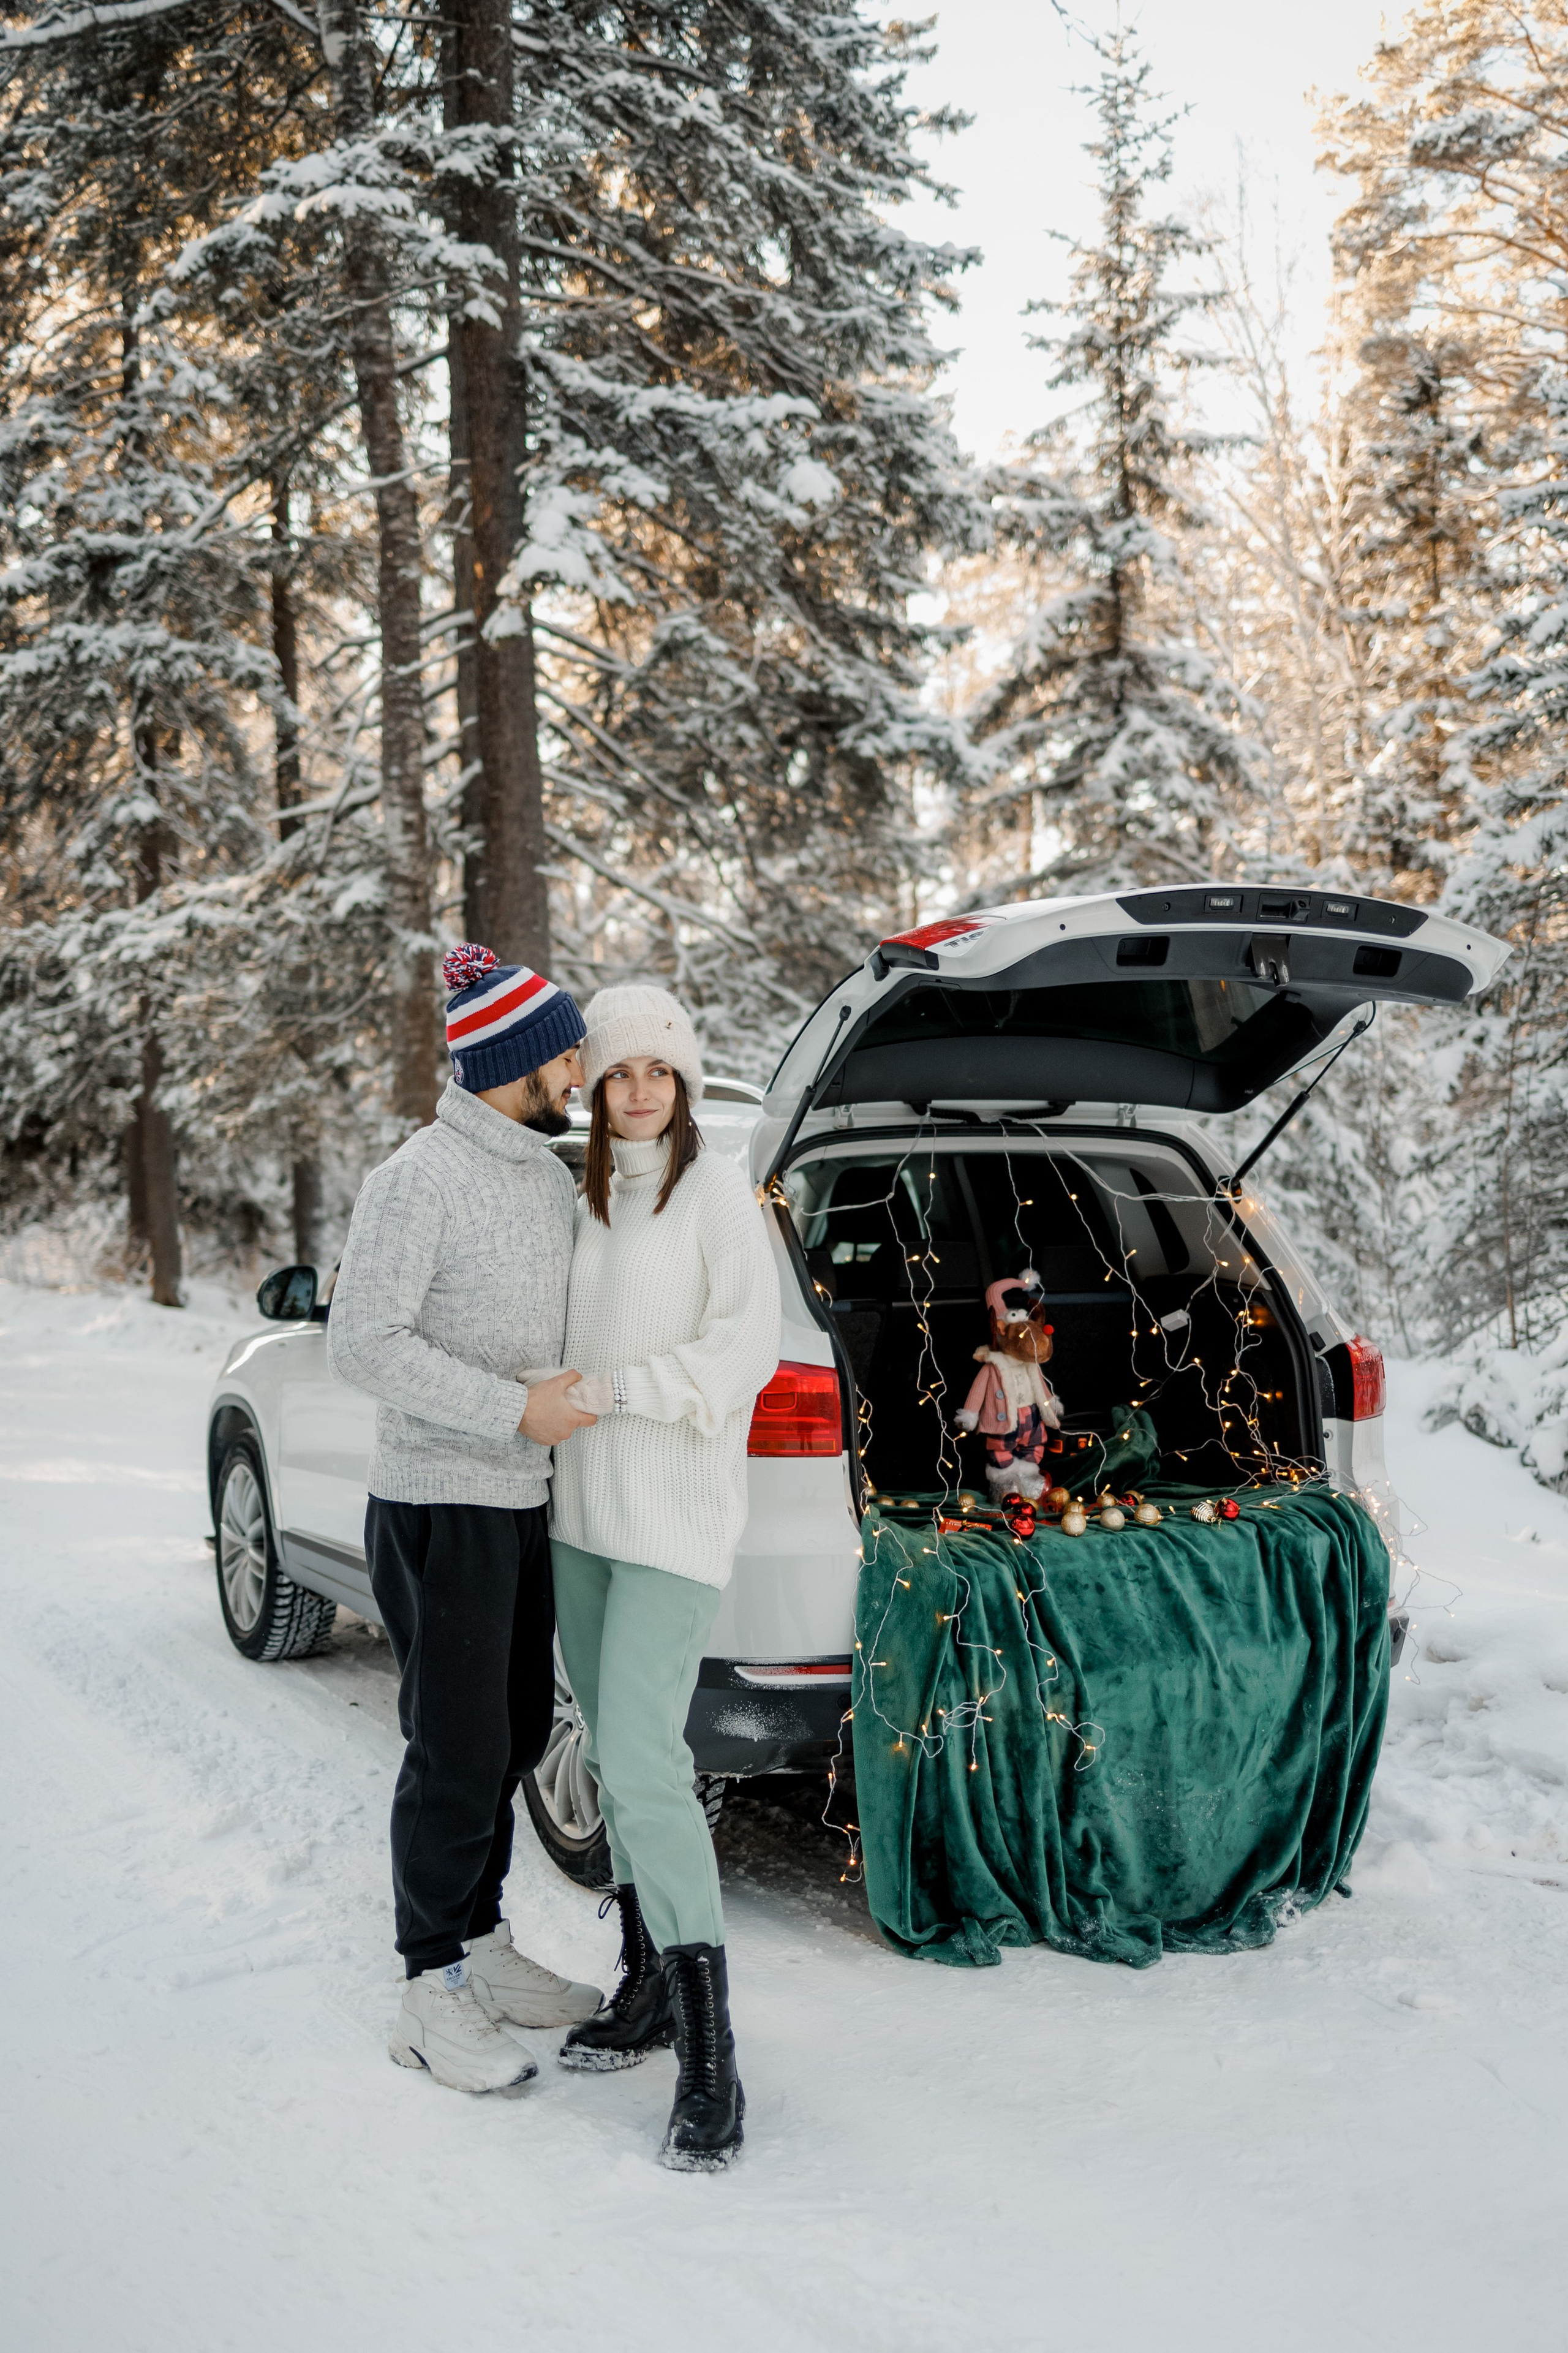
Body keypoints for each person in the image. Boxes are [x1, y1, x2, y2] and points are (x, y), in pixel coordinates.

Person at [328, 943, 602, 2094]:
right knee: (454, 1750)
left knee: (509, 1732)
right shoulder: (419, 1178)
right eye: (568, 1048)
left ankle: (481, 1945)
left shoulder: (545, 1173)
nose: (582, 1062)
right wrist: (511, 1409)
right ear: (520, 1059)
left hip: (521, 1498)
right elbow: (362, 1342)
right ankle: (426, 1988)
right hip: (439, 1503)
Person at [548, 984, 781, 2172]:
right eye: (619, 1073)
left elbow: (741, 1348)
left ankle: (709, 2055)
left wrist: (618, 1392)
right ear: (593, 1087)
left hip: (671, 1523)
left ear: (685, 1085)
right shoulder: (580, 1197)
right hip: (578, 1519)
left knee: (643, 1760)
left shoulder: (716, 1195)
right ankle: (643, 1984)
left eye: (659, 1072)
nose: (639, 1091)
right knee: (608, 1748)